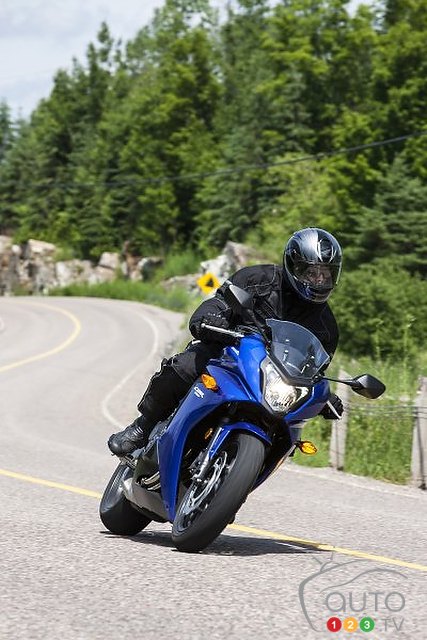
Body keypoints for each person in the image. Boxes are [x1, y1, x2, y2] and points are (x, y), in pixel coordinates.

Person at [108, 227, 344, 456]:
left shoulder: (326, 327)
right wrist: (209, 318)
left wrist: (325, 397)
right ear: (294, 265)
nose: (319, 280)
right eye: (312, 272)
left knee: (289, 432)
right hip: (228, 353)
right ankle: (143, 426)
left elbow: (315, 369)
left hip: (275, 382)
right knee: (185, 366)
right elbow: (219, 302)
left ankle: (249, 466)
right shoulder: (258, 279)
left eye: (326, 274)